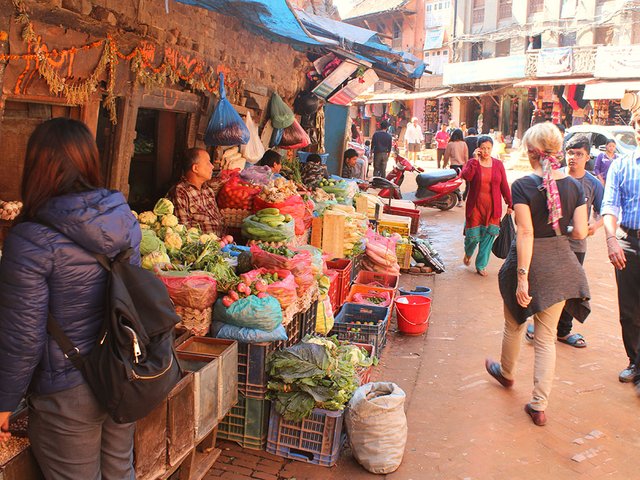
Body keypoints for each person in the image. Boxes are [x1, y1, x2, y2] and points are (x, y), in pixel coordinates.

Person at [0, 118, 140, 477]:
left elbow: (22, 336)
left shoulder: (30, 239)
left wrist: (4, 401)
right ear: (89, 160)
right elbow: (130, 299)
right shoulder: (123, 220)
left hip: (67, 389)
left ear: (36, 167)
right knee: (119, 473)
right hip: (120, 373)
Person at [485, 122, 590, 427]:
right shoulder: (574, 186)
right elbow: (581, 232)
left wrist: (522, 277)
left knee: (515, 324)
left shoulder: (523, 185)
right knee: (545, 340)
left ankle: (505, 373)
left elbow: (526, 232)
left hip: (529, 264)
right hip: (560, 267)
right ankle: (539, 406)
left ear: (532, 152)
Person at [525, 134, 604, 348]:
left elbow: (605, 211)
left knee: (570, 289)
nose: (574, 158)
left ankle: (563, 330)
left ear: (587, 157)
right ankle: (537, 322)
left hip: (577, 245)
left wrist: (594, 226)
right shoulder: (552, 178)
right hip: (549, 243)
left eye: (579, 154)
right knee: (544, 283)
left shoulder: (593, 184)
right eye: (570, 153)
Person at [601, 113, 640, 385]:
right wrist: (611, 239)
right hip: (629, 242)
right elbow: (610, 205)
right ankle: (635, 361)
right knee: (629, 308)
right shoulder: (621, 165)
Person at [461, 135, 512, 276]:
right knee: (472, 238)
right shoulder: (473, 162)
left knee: (488, 238)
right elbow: (466, 176)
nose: (486, 151)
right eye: (483, 148)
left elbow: (504, 185)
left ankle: (481, 265)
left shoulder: (498, 164)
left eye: (488, 148)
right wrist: (475, 160)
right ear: (478, 149)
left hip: (493, 208)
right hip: (475, 207)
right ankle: (468, 253)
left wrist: (510, 202)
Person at [168, 148, 224, 237]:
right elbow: (183, 230)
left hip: (221, 243)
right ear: (195, 168)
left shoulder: (208, 191)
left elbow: (218, 220)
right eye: (208, 163)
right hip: (202, 247)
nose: (212, 166)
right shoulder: (180, 192)